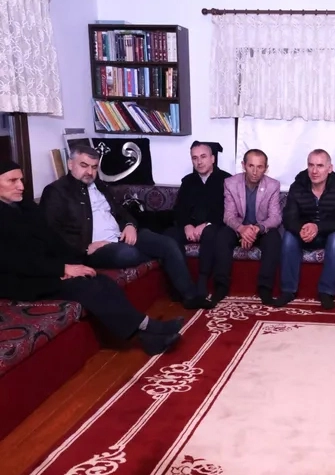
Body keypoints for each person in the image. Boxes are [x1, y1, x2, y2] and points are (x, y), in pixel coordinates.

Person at [0, 161, 182, 356]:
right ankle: (149, 329)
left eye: (21, 180)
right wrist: (61, 269)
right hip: (21, 280)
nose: (21, 186)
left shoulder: (25, 206)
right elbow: (15, 261)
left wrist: (81, 255)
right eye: (12, 181)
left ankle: (147, 335)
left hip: (46, 269)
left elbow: (52, 240)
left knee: (102, 280)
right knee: (87, 287)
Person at [39, 145, 210, 310]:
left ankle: (190, 296)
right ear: (70, 164)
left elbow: (121, 211)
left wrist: (129, 225)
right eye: (84, 165)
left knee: (168, 243)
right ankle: (171, 272)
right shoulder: (56, 192)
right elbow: (52, 233)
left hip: (121, 235)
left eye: (94, 167)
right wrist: (84, 248)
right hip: (96, 248)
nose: (90, 172)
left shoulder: (99, 185)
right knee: (128, 254)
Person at [274, 149, 335, 310]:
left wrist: (318, 227)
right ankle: (288, 291)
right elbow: (289, 218)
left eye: (320, 166)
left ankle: (326, 292)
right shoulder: (297, 187)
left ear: (330, 168)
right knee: (288, 237)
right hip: (304, 232)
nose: (314, 171)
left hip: (330, 232)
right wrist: (301, 229)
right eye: (311, 165)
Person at [215, 149, 282, 306]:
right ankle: (221, 286)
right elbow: (228, 216)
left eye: (260, 167)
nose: (255, 171)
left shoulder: (273, 185)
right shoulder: (230, 183)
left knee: (274, 238)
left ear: (266, 168)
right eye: (251, 166)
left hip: (261, 229)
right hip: (238, 228)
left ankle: (265, 288)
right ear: (243, 165)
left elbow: (275, 218)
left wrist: (256, 229)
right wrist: (242, 229)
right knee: (222, 236)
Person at [165, 141, 231, 298]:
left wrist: (206, 224)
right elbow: (179, 209)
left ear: (212, 158)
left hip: (214, 225)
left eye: (203, 157)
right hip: (190, 226)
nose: (199, 162)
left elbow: (228, 210)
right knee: (169, 236)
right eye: (195, 158)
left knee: (211, 233)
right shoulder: (188, 181)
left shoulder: (227, 180)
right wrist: (187, 225)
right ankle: (181, 284)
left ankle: (202, 281)